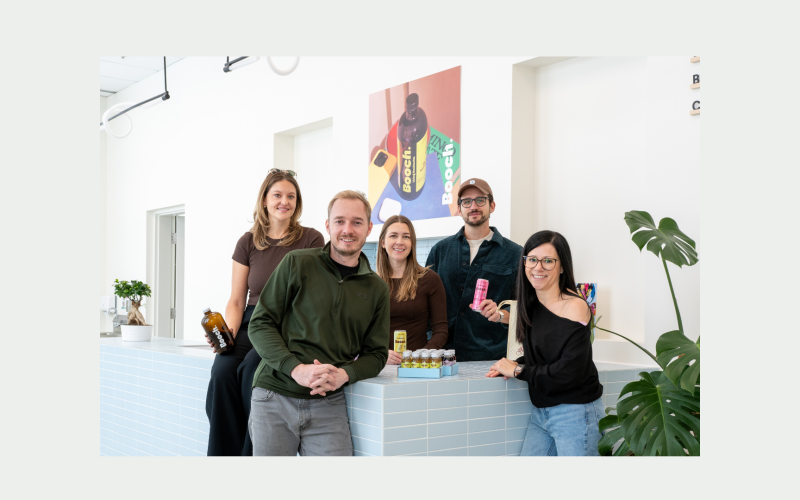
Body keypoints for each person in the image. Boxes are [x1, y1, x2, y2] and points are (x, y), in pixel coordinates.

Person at [247, 190, 390, 456]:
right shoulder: (297, 263)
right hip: (274, 396)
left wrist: (345, 375)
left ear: (369, 228)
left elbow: (377, 354)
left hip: (329, 403)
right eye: (339, 221)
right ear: (328, 225)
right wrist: (296, 369)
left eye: (357, 222)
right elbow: (260, 323)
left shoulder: (377, 289)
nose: (347, 229)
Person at [204, 169, 324, 456]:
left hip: (288, 327)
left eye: (291, 196)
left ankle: (251, 453)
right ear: (265, 200)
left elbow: (314, 295)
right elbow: (236, 300)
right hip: (251, 321)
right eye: (278, 195)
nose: (285, 201)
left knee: (251, 371)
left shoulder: (311, 239)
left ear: (297, 202)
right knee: (222, 372)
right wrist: (228, 336)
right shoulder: (247, 242)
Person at [486, 230, 604, 456]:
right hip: (542, 412)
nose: (538, 267)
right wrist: (513, 365)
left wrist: (518, 370)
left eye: (548, 261)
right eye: (532, 259)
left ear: (562, 266)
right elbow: (545, 355)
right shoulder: (531, 305)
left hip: (576, 412)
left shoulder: (574, 306)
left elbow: (570, 371)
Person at [425, 178, 523, 361]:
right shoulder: (440, 251)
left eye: (480, 200)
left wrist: (502, 313)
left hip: (492, 357)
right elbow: (426, 301)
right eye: (466, 202)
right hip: (443, 354)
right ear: (459, 208)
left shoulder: (515, 254)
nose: (473, 206)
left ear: (492, 206)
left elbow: (525, 307)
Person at [375, 215, 448, 362]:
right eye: (393, 236)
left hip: (417, 365)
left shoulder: (430, 279)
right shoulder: (371, 283)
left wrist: (421, 356)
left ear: (412, 243)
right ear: (383, 242)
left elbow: (441, 331)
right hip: (380, 365)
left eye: (406, 237)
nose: (399, 241)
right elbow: (361, 333)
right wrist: (379, 354)